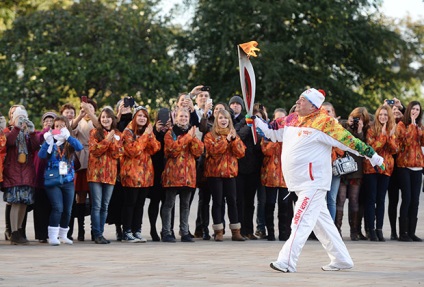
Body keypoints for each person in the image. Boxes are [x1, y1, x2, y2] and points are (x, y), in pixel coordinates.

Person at [250, 88, 384, 272]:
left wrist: (373, 156)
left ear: (313, 105)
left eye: (302, 99)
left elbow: (349, 141)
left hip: (313, 183)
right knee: (323, 225)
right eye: (299, 98)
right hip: (298, 183)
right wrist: (255, 121)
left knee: (300, 219)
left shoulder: (324, 123)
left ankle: (287, 261)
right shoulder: (290, 119)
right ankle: (342, 259)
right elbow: (271, 131)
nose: (298, 101)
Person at [161, 108, 204, 242]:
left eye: (186, 116)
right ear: (176, 118)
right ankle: (166, 231)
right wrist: (188, 137)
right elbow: (172, 150)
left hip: (188, 174)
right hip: (173, 174)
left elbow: (198, 151)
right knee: (169, 204)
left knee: (185, 204)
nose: (183, 118)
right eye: (181, 116)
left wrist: (193, 138)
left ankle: (184, 231)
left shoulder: (192, 132)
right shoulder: (170, 133)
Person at [38, 116, 83, 246]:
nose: (59, 128)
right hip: (53, 180)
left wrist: (68, 137)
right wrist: (47, 142)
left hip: (68, 179)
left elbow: (80, 147)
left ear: (67, 127)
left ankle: (63, 235)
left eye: (62, 126)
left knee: (68, 209)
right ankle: (52, 236)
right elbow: (41, 156)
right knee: (58, 207)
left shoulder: (69, 142)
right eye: (56, 126)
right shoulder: (50, 141)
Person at [203, 109, 246, 241]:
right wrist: (226, 141)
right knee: (218, 202)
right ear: (217, 120)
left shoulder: (234, 135)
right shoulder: (210, 135)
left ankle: (236, 231)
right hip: (214, 174)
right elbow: (214, 151)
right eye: (221, 118)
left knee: (232, 202)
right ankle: (218, 231)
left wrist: (233, 140)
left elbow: (241, 153)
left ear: (229, 121)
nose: (223, 120)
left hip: (230, 173)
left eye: (226, 118)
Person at [120, 106, 160, 243]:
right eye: (139, 116)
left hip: (145, 174)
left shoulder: (147, 132)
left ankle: (137, 230)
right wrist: (145, 137)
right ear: (135, 117)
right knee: (130, 203)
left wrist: (149, 134)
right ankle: (127, 231)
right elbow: (133, 150)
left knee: (140, 204)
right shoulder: (127, 132)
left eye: (144, 116)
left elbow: (155, 148)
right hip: (131, 173)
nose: (142, 118)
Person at [3, 107, 40, 245]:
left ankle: (19, 230)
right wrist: (17, 127)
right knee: (15, 202)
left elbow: (36, 146)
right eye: (19, 117)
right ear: (12, 119)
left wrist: (32, 131)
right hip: (13, 172)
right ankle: (13, 233)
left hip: (27, 172)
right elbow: (9, 142)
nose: (21, 120)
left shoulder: (26, 133)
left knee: (24, 203)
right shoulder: (9, 131)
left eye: (23, 117)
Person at [363, 105, 397, 241]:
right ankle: (371, 230)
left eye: (385, 115)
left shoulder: (392, 130)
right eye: (381, 114)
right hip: (371, 168)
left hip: (386, 169)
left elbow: (394, 149)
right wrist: (383, 135)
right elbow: (372, 149)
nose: (383, 117)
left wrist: (389, 136)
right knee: (371, 199)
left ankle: (379, 229)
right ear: (377, 116)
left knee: (381, 200)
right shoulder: (371, 130)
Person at [88, 107, 122, 244]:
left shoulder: (118, 134)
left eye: (108, 117)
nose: (105, 119)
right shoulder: (94, 132)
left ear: (112, 119)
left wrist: (112, 140)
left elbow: (117, 154)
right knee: (96, 205)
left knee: (105, 206)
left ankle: (100, 233)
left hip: (110, 174)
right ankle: (96, 234)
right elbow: (94, 150)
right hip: (95, 174)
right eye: (102, 117)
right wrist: (107, 140)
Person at [336, 107, 370, 241]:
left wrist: (360, 130)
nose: (357, 121)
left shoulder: (366, 129)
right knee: (340, 200)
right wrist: (350, 127)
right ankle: (337, 230)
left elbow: (361, 146)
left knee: (355, 201)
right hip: (344, 170)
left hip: (356, 170)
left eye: (359, 119)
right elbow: (345, 141)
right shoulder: (343, 126)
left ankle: (354, 231)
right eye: (355, 118)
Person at [70, 98, 99, 241]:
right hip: (81, 159)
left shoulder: (98, 121)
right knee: (80, 196)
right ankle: (81, 229)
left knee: (95, 197)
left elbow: (100, 127)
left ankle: (95, 230)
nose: (88, 112)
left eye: (91, 109)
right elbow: (70, 129)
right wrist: (80, 115)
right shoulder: (79, 121)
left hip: (94, 159)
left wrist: (90, 113)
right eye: (85, 109)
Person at [395, 100, 423, 242]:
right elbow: (405, 142)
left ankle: (412, 232)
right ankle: (403, 233)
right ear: (409, 110)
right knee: (407, 198)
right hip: (404, 166)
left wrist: (418, 128)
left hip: (417, 166)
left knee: (416, 200)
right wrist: (412, 126)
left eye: (417, 110)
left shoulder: (420, 126)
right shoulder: (401, 125)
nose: (415, 112)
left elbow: (422, 142)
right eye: (413, 109)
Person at [33, 111, 57, 243]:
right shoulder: (38, 133)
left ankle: (52, 233)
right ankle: (41, 234)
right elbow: (38, 141)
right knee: (40, 207)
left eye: (51, 120)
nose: (49, 123)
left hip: (53, 177)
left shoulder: (58, 135)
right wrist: (47, 131)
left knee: (52, 206)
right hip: (39, 176)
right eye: (46, 120)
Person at [321, 102, 344, 222]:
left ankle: (331, 229)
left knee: (332, 199)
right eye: (323, 111)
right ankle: (318, 230)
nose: (326, 113)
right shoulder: (317, 126)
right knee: (320, 199)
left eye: (328, 111)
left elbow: (342, 150)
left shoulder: (338, 128)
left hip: (334, 167)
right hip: (320, 168)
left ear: (333, 113)